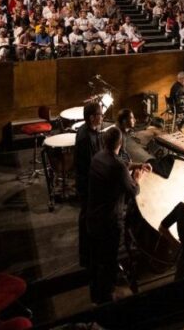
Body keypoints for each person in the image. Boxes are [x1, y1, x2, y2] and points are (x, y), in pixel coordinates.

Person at [86, 127, 145, 304]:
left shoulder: (98, 157)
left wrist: (136, 165)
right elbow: (133, 190)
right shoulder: (118, 166)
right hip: (109, 221)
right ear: (121, 143)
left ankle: (96, 293)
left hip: (93, 217)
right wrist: (137, 177)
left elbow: (117, 167)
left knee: (98, 259)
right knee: (110, 260)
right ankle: (108, 298)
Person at [75, 101, 104, 267]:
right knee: (87, 219)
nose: (102, 117)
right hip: (88, 185)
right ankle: (86, 257)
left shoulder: (88, 131)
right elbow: (92, 165)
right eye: (100, 115)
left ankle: (89, 253)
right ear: (92, 117)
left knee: (88, 218)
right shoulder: (86, 138)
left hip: (88, 183)